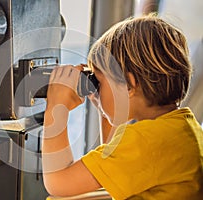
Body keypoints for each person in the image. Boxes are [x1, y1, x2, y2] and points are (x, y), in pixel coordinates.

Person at [42, 13, 203, 199]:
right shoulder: (181, 128)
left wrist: (56, 109)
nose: (95, 89)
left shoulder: (145, 141)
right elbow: (115, 164)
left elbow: (59, 184)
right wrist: (103, 105)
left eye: (99, 82)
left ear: (128, 85)